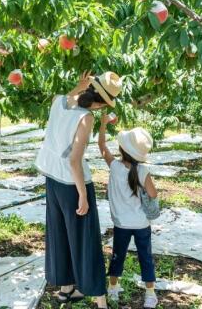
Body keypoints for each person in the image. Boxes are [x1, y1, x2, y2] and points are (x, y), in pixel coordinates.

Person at [35, 70, 122, 309]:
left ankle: (66, 289)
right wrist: (83, 194)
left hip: (51, 177)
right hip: (72, 182)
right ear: (102, 103)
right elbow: (74, 160)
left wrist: (78, 85)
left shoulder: (59, 101)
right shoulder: (86, 118)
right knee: (86, 239)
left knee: (59, 232)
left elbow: (67, 98)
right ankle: (99, 298)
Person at [98, 116, 159, 308]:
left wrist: (103, 124)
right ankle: (150, 294)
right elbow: (153, 193)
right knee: (145, 257)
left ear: (122, 149)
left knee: (118, 255)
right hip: (141, 223)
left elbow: (101, 146)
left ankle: (113, 289)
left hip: (121, 223)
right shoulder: (142, 170)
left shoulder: (114, 166)